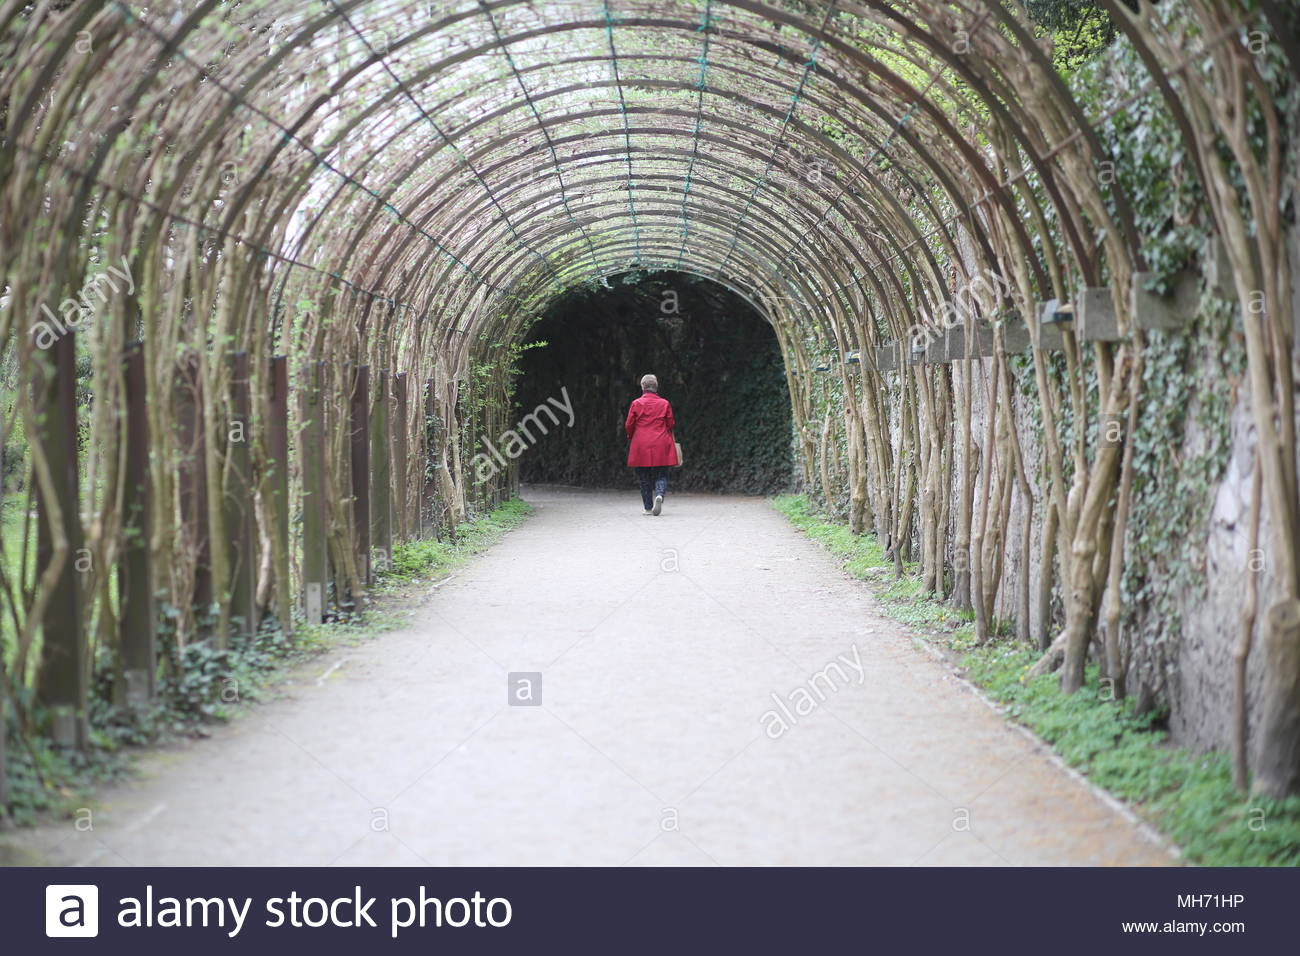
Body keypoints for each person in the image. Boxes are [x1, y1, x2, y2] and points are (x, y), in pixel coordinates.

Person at [625, 373, 678, 516]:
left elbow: (629, 424)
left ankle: (648, 508)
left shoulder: (636, 403)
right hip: (661, 441)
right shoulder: (665, 403)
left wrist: (631, 436)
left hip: (641, 443)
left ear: (642, 387)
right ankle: (660, 494)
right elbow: (671, 423)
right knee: (661, 473)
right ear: (656, 386)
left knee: (644, 477)